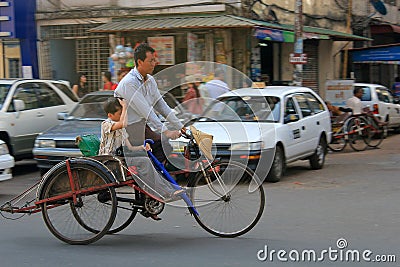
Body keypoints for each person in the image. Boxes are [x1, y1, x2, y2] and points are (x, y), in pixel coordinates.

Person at [98, 97, 182, 220]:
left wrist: (143, 147)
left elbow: (131, 147)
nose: (123, 115)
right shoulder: (106, 124)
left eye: (123, 113)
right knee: (144, 162)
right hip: (109, 161)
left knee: (146, 159)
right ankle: (163, 191)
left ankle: (150, 199)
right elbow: (124, 123)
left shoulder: (121, 129)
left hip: (119, 159)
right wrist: (125, 106)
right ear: (110, 115)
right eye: (120, 113)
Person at [114, 43, 183, 163]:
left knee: (165, 146)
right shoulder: (129, 83)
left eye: (154, 60)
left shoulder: (150, 80)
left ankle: (156, 174)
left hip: (141, 126)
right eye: (150, 61)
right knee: (162, 144)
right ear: (140, 62)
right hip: (127, 129)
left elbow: (161, 105)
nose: (154, 63)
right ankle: (151, 178)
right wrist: (166, 131)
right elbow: (146, 111)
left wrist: (182, 127)